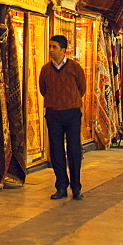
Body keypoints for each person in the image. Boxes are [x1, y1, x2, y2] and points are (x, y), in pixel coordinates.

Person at [39, 35, 86, 199]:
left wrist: (70, 100)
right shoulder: (45, 69)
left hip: (72, 113)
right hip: (53, 113)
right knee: (56, 150)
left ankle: (76, 187)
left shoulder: (75, 68)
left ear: (63, 50)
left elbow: (82, 88)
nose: (51, 50)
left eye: (54, 47)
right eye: (50, 46)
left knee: (74, 150)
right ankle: (61, 186)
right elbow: (43, 89)